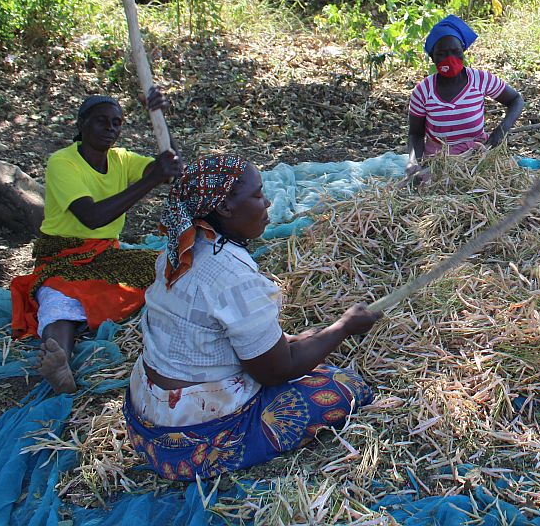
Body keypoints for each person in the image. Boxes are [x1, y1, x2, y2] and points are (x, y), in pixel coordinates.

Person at [124, 155, 381, 480]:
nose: (269, 201)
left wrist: (300, 340)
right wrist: (344, 327)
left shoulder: (178, 250)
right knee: (342, 385)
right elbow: (275, 371)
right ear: (225, 208)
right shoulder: (233, 275)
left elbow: (213, 335)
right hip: (194, 441)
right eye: (258, 194)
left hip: (144, 422)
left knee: (301, 349)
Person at [10, 88, 180, 394]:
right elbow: (92, 216)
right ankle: (57, 358)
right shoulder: (63, 162)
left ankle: (85, 318)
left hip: (105, 255)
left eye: (116, 123)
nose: (110, 129)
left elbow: (170, 169)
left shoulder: (121, 159)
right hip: (62, 256)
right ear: (82, 125)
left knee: (165, 267)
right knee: (59, 297)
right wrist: (151, 180)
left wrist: (159, 116)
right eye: (101, 121)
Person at [406, 15, 525, 179]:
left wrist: (501, 131)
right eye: (442, 53)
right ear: (432, 57)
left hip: (478, 158)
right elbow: (415, 134)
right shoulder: (423, 91)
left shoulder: (480, 79)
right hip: (439, 163)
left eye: (455, 52)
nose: (450, 59)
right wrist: (413, 163)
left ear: (463, 51)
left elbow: (516, 100)